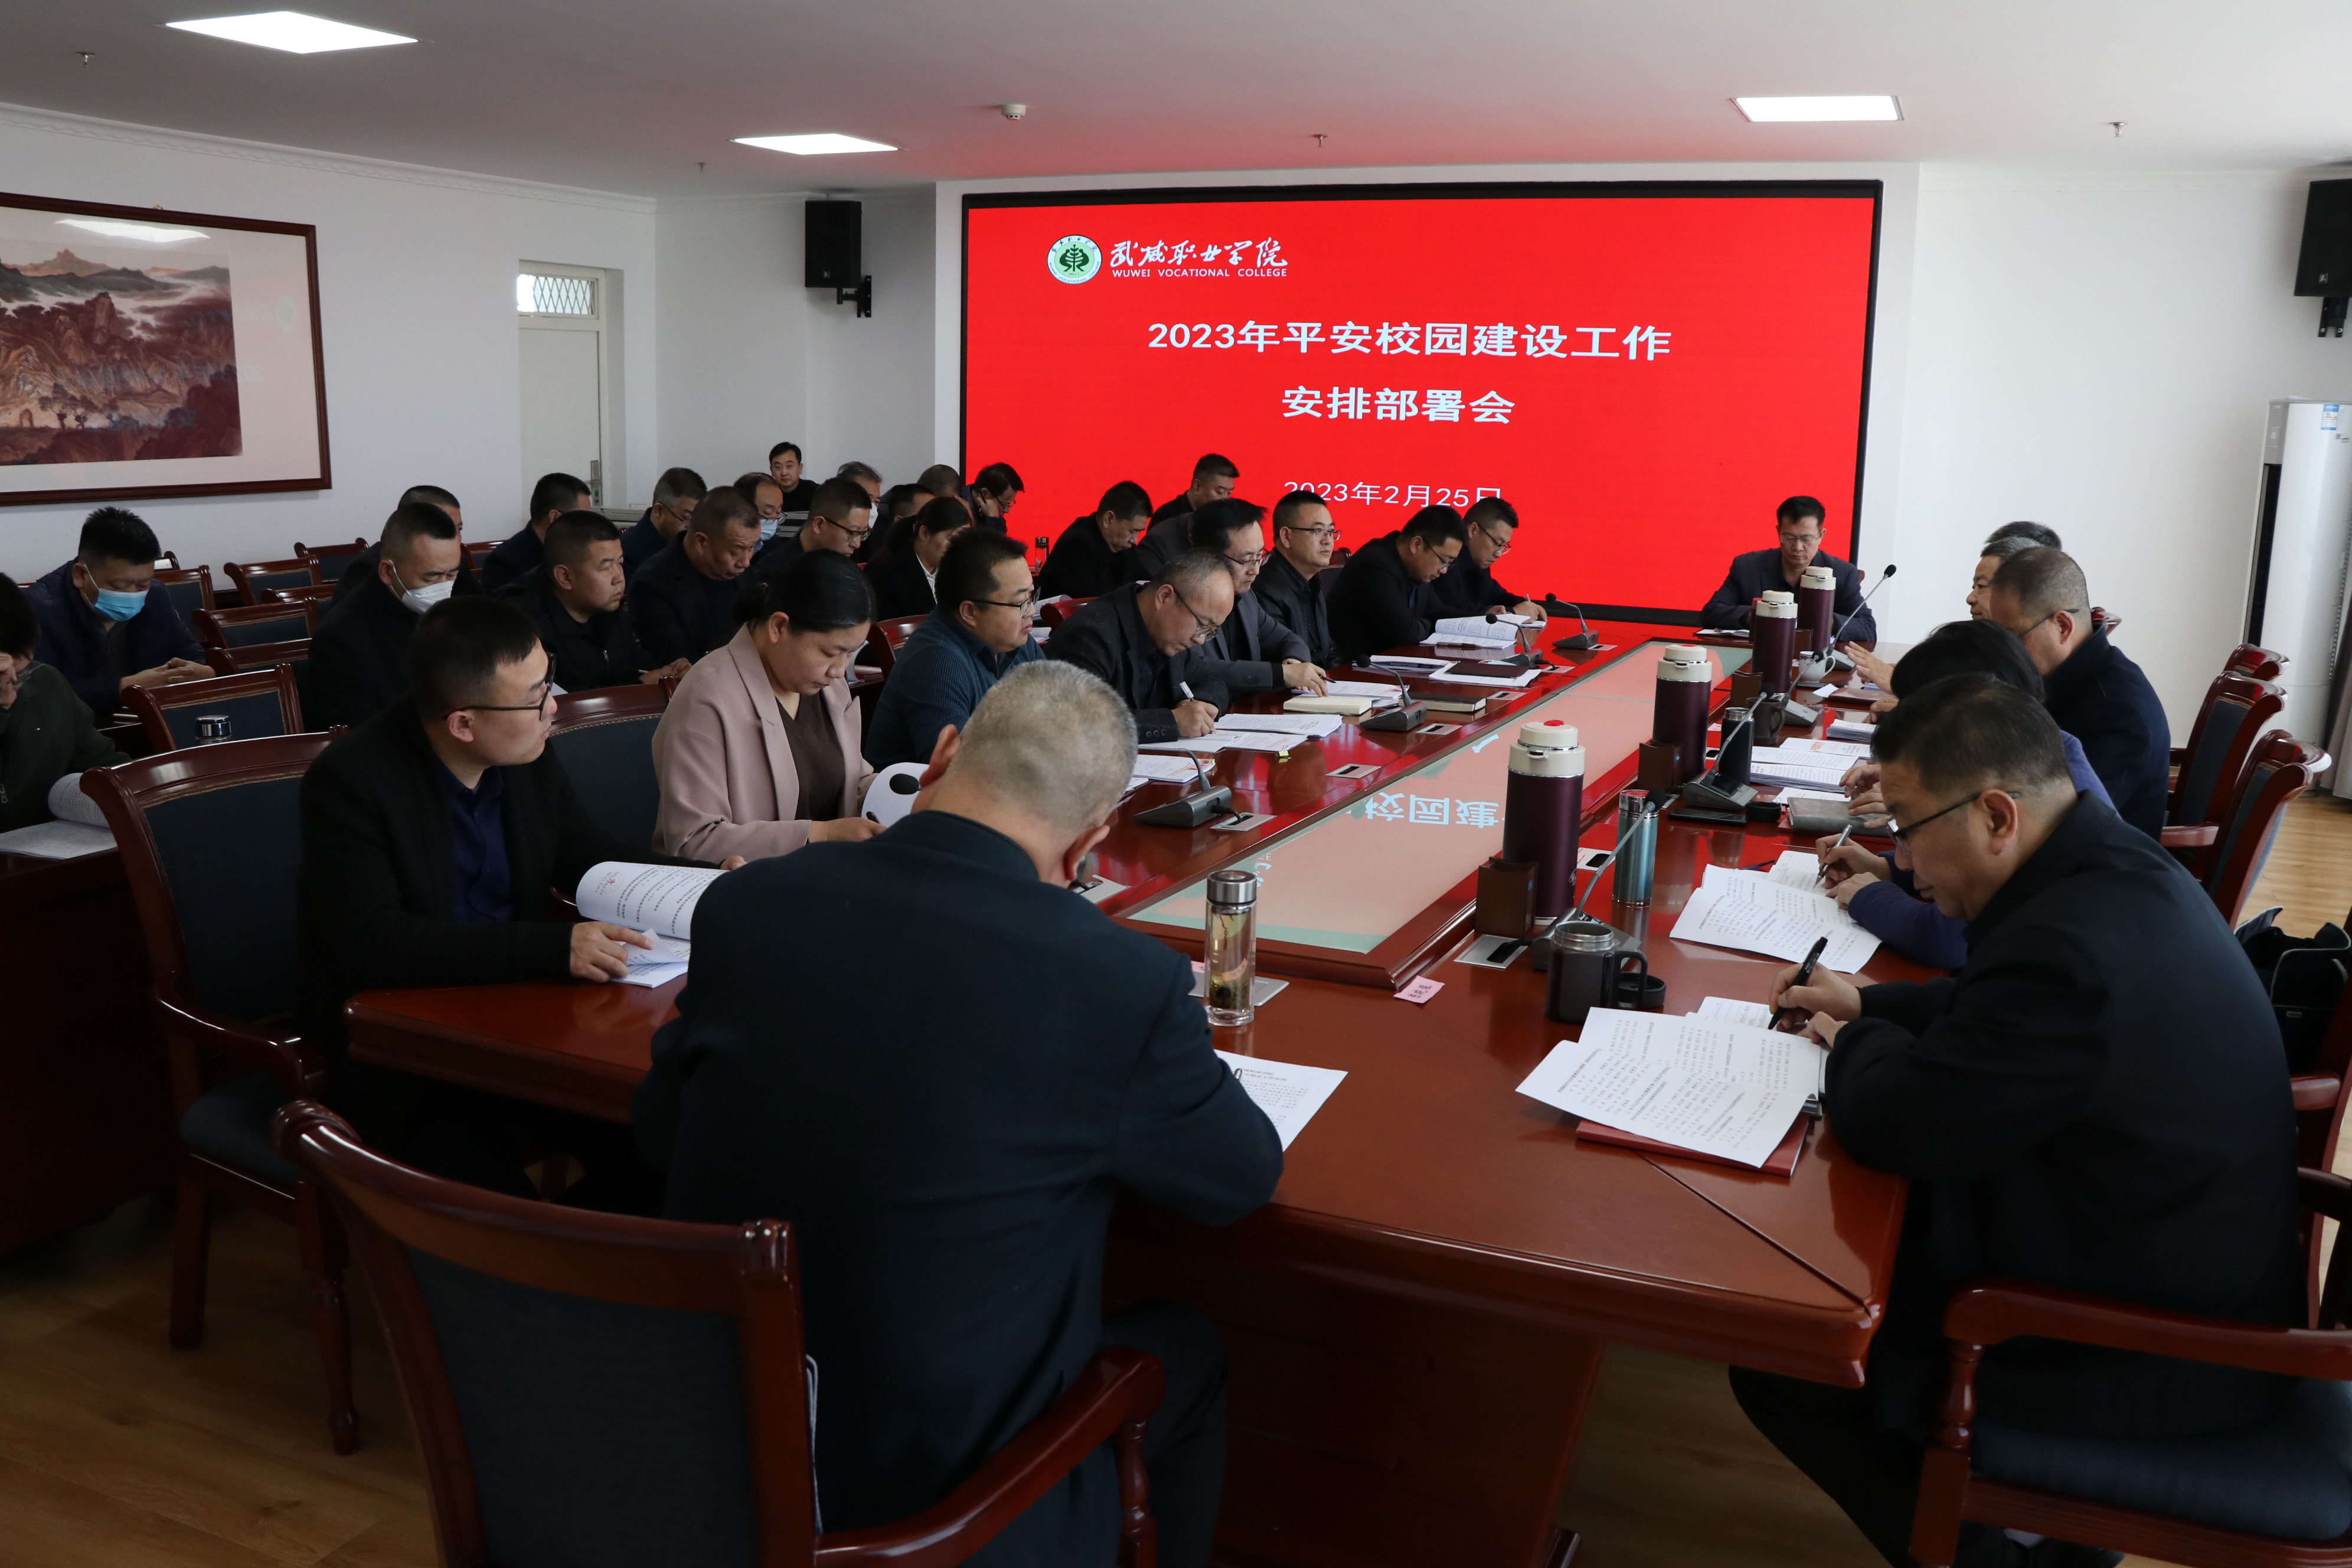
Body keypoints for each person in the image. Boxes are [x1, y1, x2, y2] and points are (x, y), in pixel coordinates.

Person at [635, 659, 1282, 1568]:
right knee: (1189, 1349)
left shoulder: (748, 902)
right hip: (946, 1518)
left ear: (939, 757)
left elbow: (660, 1134)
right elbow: (1241, 1179)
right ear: (1089, 843)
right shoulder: (1114, 980)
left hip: (708, 1445)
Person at [1735, 675, 2299, 1568]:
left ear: (1997, 815)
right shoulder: (2103, 862)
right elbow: (1990, 1012)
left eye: (1909, 827)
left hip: (2146, 1347)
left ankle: (2006, 1555)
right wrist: (1872, 1005)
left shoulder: (2068, 947)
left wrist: (1851, 1043)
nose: (1903, 860)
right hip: (2180, 1258)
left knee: (1791, 1354)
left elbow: (1899, 1122)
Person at [298, 596, 730, 1206]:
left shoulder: (522, 751)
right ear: (463, 723)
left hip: (524, 1017)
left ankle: (609, 1258)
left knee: (667, 1143)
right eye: (535, 698)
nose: (553, 707)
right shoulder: (353, 781)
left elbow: (588, 854)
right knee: (496, 1211)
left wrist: (713, 881)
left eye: (548, 682)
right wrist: (556, 947)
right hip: (409, 1049)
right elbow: (375, 942)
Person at [1816, 619, 2115, 968]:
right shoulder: (2039, 753)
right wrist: (1887, 870)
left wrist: (1870, 897)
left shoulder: (2042, 796)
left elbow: (1952, 940)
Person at [652, 550, 882, 861]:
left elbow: (851, 783)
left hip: (828, 873)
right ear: (779, 627)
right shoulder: (706, 699)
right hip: (747, 883)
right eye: (830, 652)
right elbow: (693, 842)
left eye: (850, 654)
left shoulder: (825, 684)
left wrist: (914, 797)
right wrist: (821, 835)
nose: (840, 670)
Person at [1982, 548, 2169, 839]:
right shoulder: (2059, 678)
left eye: (2013, 637)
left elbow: (2065, 823)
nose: (2005, 653)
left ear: (2062, 626)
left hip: (2090, 860)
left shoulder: (2117, 709)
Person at [865, 531, 1047, 769]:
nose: (1031, 611)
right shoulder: (937, 662)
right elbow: (958, 772)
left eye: (1031, 596)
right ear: (970, 612)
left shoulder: (1017, 642)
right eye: (1020, 603)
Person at [25, 506, 208, 720]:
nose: (132, 594)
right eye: (119, 586)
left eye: (142, 584)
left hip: (150, 722)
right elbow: (41, 695)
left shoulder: (155, 595)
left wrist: (204, 672)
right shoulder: (37, 609)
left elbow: (192, 655)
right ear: (80, 575)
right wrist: (125, 687)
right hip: (79, 729)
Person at [309, 501, 467, 729]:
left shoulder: (461, 609)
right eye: (430, 578)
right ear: (387, 571)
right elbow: (360, 734)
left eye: (451, 575)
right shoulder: (341, 638)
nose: (443, 587)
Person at [1046, 552, 1234, 741]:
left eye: (1210, 631)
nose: (1200, 640)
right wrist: (1173, 722)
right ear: (1165, 596)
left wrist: (1201, 706)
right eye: (1202, 625)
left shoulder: (1169, 634)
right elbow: (1080, 722)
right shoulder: (1091, 634)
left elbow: (1212, 680)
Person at [499, 510, 688, 694]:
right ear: (565, 577)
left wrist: (665, 673)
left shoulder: (608, 605)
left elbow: (637, 660)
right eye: (606, 568)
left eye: (620, 563)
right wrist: (637, 686)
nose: (619, 578)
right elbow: (553, 700)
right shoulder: (522, 625)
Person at [0, 573, 128, 832]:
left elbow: (106, 764)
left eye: (21, 674)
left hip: (45, 846)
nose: (12, 688)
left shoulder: (46, 682)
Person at [1187, 500, 1325, 695]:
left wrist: (1294, 663)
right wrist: (1280, 674)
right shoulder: (1183, 602)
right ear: (1206, 556)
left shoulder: (1247, 598)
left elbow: (1287, 638)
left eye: (1260, 556)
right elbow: (1197, 668)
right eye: (1246, 560)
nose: (1256, 570)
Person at [1698, 496, 1877, 640]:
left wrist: (1826, 622)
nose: (1798, 547)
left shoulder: (1843, 573)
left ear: (1821, 535)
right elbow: (1711, 613)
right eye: (1790, 537)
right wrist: (1756, 616)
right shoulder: (1747, 566)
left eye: (1806, 538)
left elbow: (1867, 627)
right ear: (1779, 532)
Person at [629, 486, 763, 667]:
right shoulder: (652, 585)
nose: (746, 562)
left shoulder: (741, 570)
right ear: (701, 542)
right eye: (735, 551)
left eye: (752, 547)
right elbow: (677, 665)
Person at [1325, 505, 1465, 665]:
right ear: (1417, 545)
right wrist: (1429, 625)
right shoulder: (1375, 564)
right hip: (1351, 669)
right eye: (1443, 561)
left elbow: (1437, 614)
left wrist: (1478, 622)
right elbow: (1407, 634)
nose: (1444, 570)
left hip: (1389, 665)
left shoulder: (1416, 570)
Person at [333, 484, 482, 602]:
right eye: (439, 528)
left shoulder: (456, 563)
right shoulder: (366, 569)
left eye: (458, 529)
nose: (453, 538)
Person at [1254, 488, 1338, 666]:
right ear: (1286, 536)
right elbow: (1283, 667)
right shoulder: (1264, 589)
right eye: (1318, 530)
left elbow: (1328, 653)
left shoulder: (1313, 582)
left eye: (1331, 531)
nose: (1328, 540)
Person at [1427, 496, 1544, 621]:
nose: (1499, 554)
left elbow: (1497, 596)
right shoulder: (1446, 559)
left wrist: (1524, 604)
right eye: (1497, 543)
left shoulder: (1478, 562)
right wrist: (1514, 612)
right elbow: (1451, 610)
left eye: (1504, 546)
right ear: (1473, 530)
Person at [1037, 480, 1151, 600]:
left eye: (1139, 532)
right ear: (1109, 519)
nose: (1135, 540)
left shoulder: (1125, 546)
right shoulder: (1078, 545)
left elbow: (1145, 583)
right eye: (1132, 531)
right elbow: (1086, 603)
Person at [481, 472, 593, 594]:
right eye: (582, 518)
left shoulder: (580, 550)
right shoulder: (504, 562)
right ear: (555, 517)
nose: (587, 527)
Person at [753, 476, 878, 582]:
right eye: (852, 532)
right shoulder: (775, 574)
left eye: (863, 533)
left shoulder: (848, 569)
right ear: (819, 524)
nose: (857, 544)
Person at [865, 495, 971, 618]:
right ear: (924, 533)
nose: (958, 548)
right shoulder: (888, 574)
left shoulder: (955, 573)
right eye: (952, 539)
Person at [619, 468, 708, 580]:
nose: (692, 527)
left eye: (696, 519)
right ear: (659, 511)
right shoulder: (626, 550)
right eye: (685, 518)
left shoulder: (693, 546)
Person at [1150, 453, 1239, 525]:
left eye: (1229, 493)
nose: (1225, 500)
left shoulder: (1224, 520)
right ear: (1197, 487)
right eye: (1220, 492)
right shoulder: (1167, 518)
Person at [769, 441, 820, 527]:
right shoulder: (767, 494)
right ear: (772, 470)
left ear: (800, 468)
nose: (784, 473)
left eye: (789, 466)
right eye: (778, 467)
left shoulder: (815, 492)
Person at [966, 461, 1023, 533]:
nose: (1007, 511)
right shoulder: (956, 511)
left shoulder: (999, 520)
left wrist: (993, 519)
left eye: (1009, 504)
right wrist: (992, 519)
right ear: (984, 494)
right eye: (1004, 504)